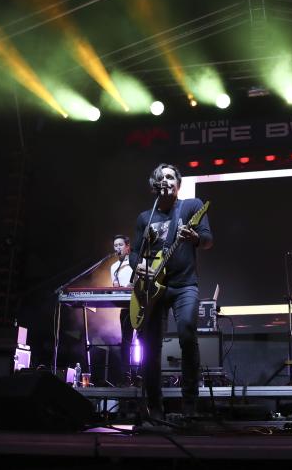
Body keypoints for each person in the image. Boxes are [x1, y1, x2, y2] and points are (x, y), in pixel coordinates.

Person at [129, 163, 212, 420]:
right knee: (150, 346)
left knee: (187, 332)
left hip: (184, 284)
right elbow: (134, 252)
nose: (166, 180)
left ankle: (190, 405)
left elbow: (207, 239)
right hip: (151, 288)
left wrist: (194, 237)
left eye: (170, 177)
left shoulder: (191, 206)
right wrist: (138, 265)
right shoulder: (145, 218)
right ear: (154, 186)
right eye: (161, 177)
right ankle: (155, 408)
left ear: (178, 184)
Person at [110, 234, 135, 385]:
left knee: (144, 341)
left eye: (120, 245)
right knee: (126, 341)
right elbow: (115, 288)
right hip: (125, 307)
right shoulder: (114, 267)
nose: (117, 248)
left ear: (127, 247)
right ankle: (126, 375)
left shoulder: (137, 261)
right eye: (115, 245)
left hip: (140, 304)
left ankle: (142, 374)